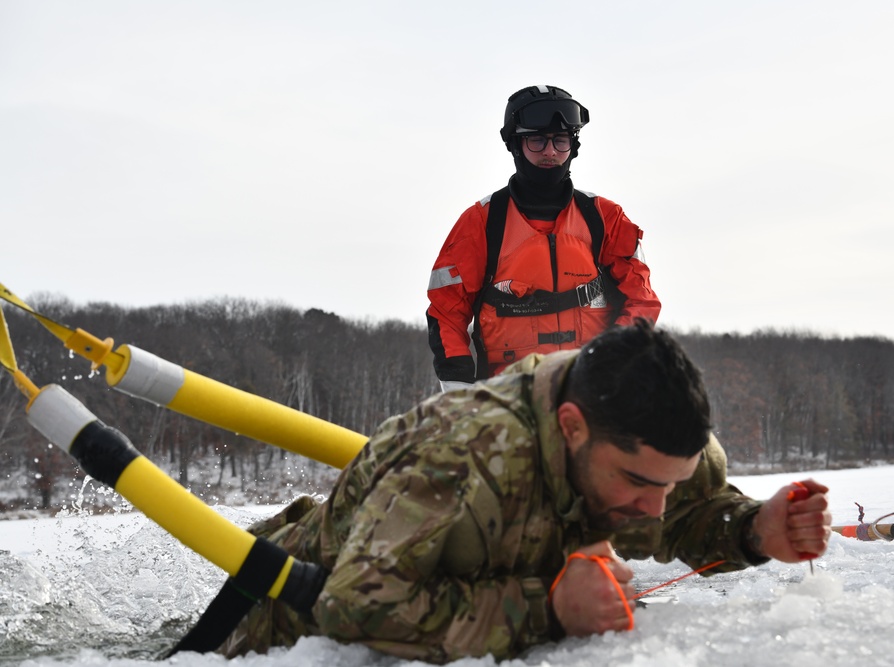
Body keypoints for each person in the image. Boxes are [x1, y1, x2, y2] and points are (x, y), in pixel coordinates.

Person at [215, 320, 832, 663]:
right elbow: (354, 607)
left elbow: (688, 516)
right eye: (641, 485)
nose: (656, 506)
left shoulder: (650, 434)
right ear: (571, 428)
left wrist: (753, 529)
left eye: (669, 484)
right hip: (273, 639)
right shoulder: (461, 456)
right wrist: (547, 611)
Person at [426, 85, 661, 391]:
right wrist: (457, 385)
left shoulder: (604, 217)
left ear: (572, 146)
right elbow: (446, 310)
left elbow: (642, 301)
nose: (550, 152)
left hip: (592, 391)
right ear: (515, 145)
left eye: (560, 140)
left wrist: (610, 363)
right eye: (537, 140)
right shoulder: (481, 222)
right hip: (507, 397)